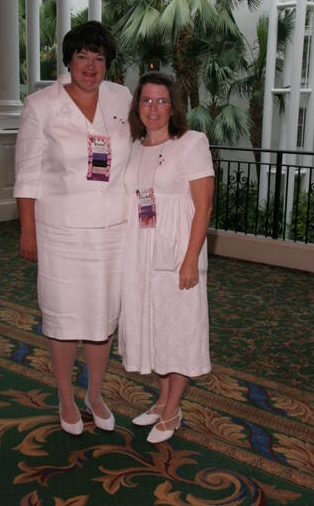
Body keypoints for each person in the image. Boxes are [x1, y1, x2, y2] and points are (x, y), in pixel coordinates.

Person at [14, 21, 132, 435]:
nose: (90, 65)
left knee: (101, 319)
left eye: (99, 58)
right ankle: (65, 395)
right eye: (82, 55)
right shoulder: (41, 105)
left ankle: (94, 393)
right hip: (60, 232)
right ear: (68, 60)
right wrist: (27, 231)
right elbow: (27, 174)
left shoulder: (122, 98)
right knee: (64, 318)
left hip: (112, 232)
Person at [119, 71, 214, 443]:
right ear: (137, 106)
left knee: (178, 329)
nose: (153, 108)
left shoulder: (192, 143)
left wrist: (190, 259)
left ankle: (174, 410)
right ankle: (161, 400)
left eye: (161, 101)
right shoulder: (135, 145)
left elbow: (203, 207)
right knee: (155, 326)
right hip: (141, 252)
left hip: (177, 253)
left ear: (173, 106)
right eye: (146, 100)